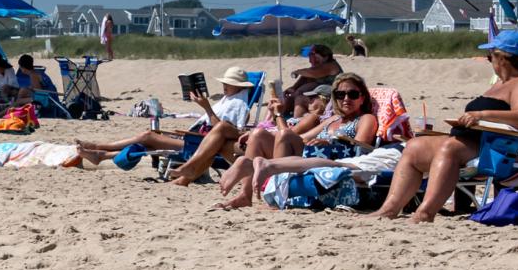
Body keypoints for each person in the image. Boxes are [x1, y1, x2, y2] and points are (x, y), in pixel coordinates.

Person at [371, 30, 518, 222]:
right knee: (415, 147)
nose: (489, 61)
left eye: (489, 57)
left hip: (509, 148)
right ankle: (389, 209)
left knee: (450, 148)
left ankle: (425, 212)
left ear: (502, 58)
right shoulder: (501, 84)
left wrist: (481, 115)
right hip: (481, 142)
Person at [209, 73, 388, 209]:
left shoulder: (366, 118)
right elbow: (302, 138)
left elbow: (360, 146)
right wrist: (267, 133)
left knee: (284, 135)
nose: (346, 99)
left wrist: (329, 143)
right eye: (341, 95)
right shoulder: (332, 119)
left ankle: (275, 191)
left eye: (353, 94)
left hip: (334, 160)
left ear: (362, 97)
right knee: (259, 135)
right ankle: (245, 194)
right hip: (307, 153)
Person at [74, 66, 260, 176]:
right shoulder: (229, 101)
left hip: (202, 146)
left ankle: (99, 148)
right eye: (224, 82)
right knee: (150, 140)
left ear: (238, 87)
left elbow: (222, 130)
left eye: (228, 84)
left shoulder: (239, 106)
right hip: (196, 139)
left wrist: (206, 107)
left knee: (148, 136)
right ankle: (101, 154)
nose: (224, 86)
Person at [275, 45, 344, 119]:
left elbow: (313, 73)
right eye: (311, 58)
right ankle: (274, 120)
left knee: (299, 99)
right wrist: (293, 88)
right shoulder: (320, 66)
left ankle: (296, 123)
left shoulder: (331, 65)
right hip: (319, 94)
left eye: (316, 58)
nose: (312, 61)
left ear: (326, 57)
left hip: (330, 97)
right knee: (287, 99)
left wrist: (297, 72)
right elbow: (306, 76)